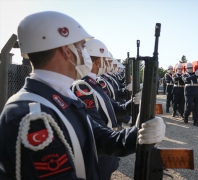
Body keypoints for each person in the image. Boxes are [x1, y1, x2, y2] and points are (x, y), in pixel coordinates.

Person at [0, 11, 166, 179]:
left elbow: (99, 139)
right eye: (81, 46)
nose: (84, 53)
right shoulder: (30, 116)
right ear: (66, 50)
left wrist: (138, 134)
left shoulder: (61, 98)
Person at [70, 39, 139, 179]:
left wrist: (134, 102)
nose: (106, 64)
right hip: (100, 151)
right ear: (97, 61)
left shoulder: (92, 84)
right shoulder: (82, 87)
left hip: (107, 147)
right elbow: (94, 126)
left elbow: (115, 109)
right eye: (104, 60)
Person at [182, 62, 198, 127]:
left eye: (191, 68)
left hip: (197, 91)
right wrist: (195, 75)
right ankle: (185, 115)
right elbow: (186, 80)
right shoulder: (184, 74)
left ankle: (195, 121)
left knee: (197, 107)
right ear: (186, 69)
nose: (190, 69)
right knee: (190, 106)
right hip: (189, 92)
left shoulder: (196, 74)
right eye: (188, 68)